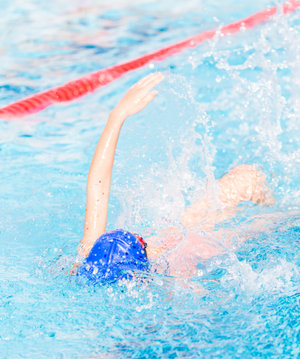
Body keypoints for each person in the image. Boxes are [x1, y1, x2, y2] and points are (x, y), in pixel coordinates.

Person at [77, 73, 274, 283]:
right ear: (141, 273)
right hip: (209, 244)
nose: (147, 242)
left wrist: (117, 116)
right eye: (143, 241)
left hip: (184, 229)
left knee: (246, 176)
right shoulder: (175, 274)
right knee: (274, 217)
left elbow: (98, 187)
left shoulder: (91, 259)